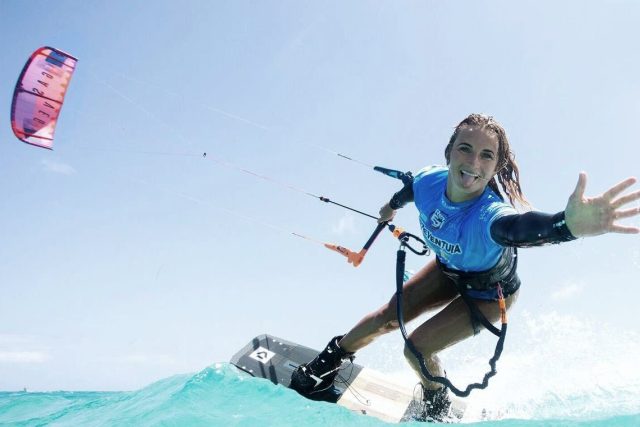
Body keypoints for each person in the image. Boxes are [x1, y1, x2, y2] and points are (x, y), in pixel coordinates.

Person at [290, 113, 640, 421]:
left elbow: (520, 228)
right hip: (447, 271)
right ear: (449, 152)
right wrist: (390, 207)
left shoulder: (490, 216)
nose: (473, 162)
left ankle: (435, 401)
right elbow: (409, 190)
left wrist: (566, 226)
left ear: (495, 168)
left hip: (490, 292)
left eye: (486, 155)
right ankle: (329, 361)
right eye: (465, 148)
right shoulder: (429, 181)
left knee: (417, 347)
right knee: (386, 316)